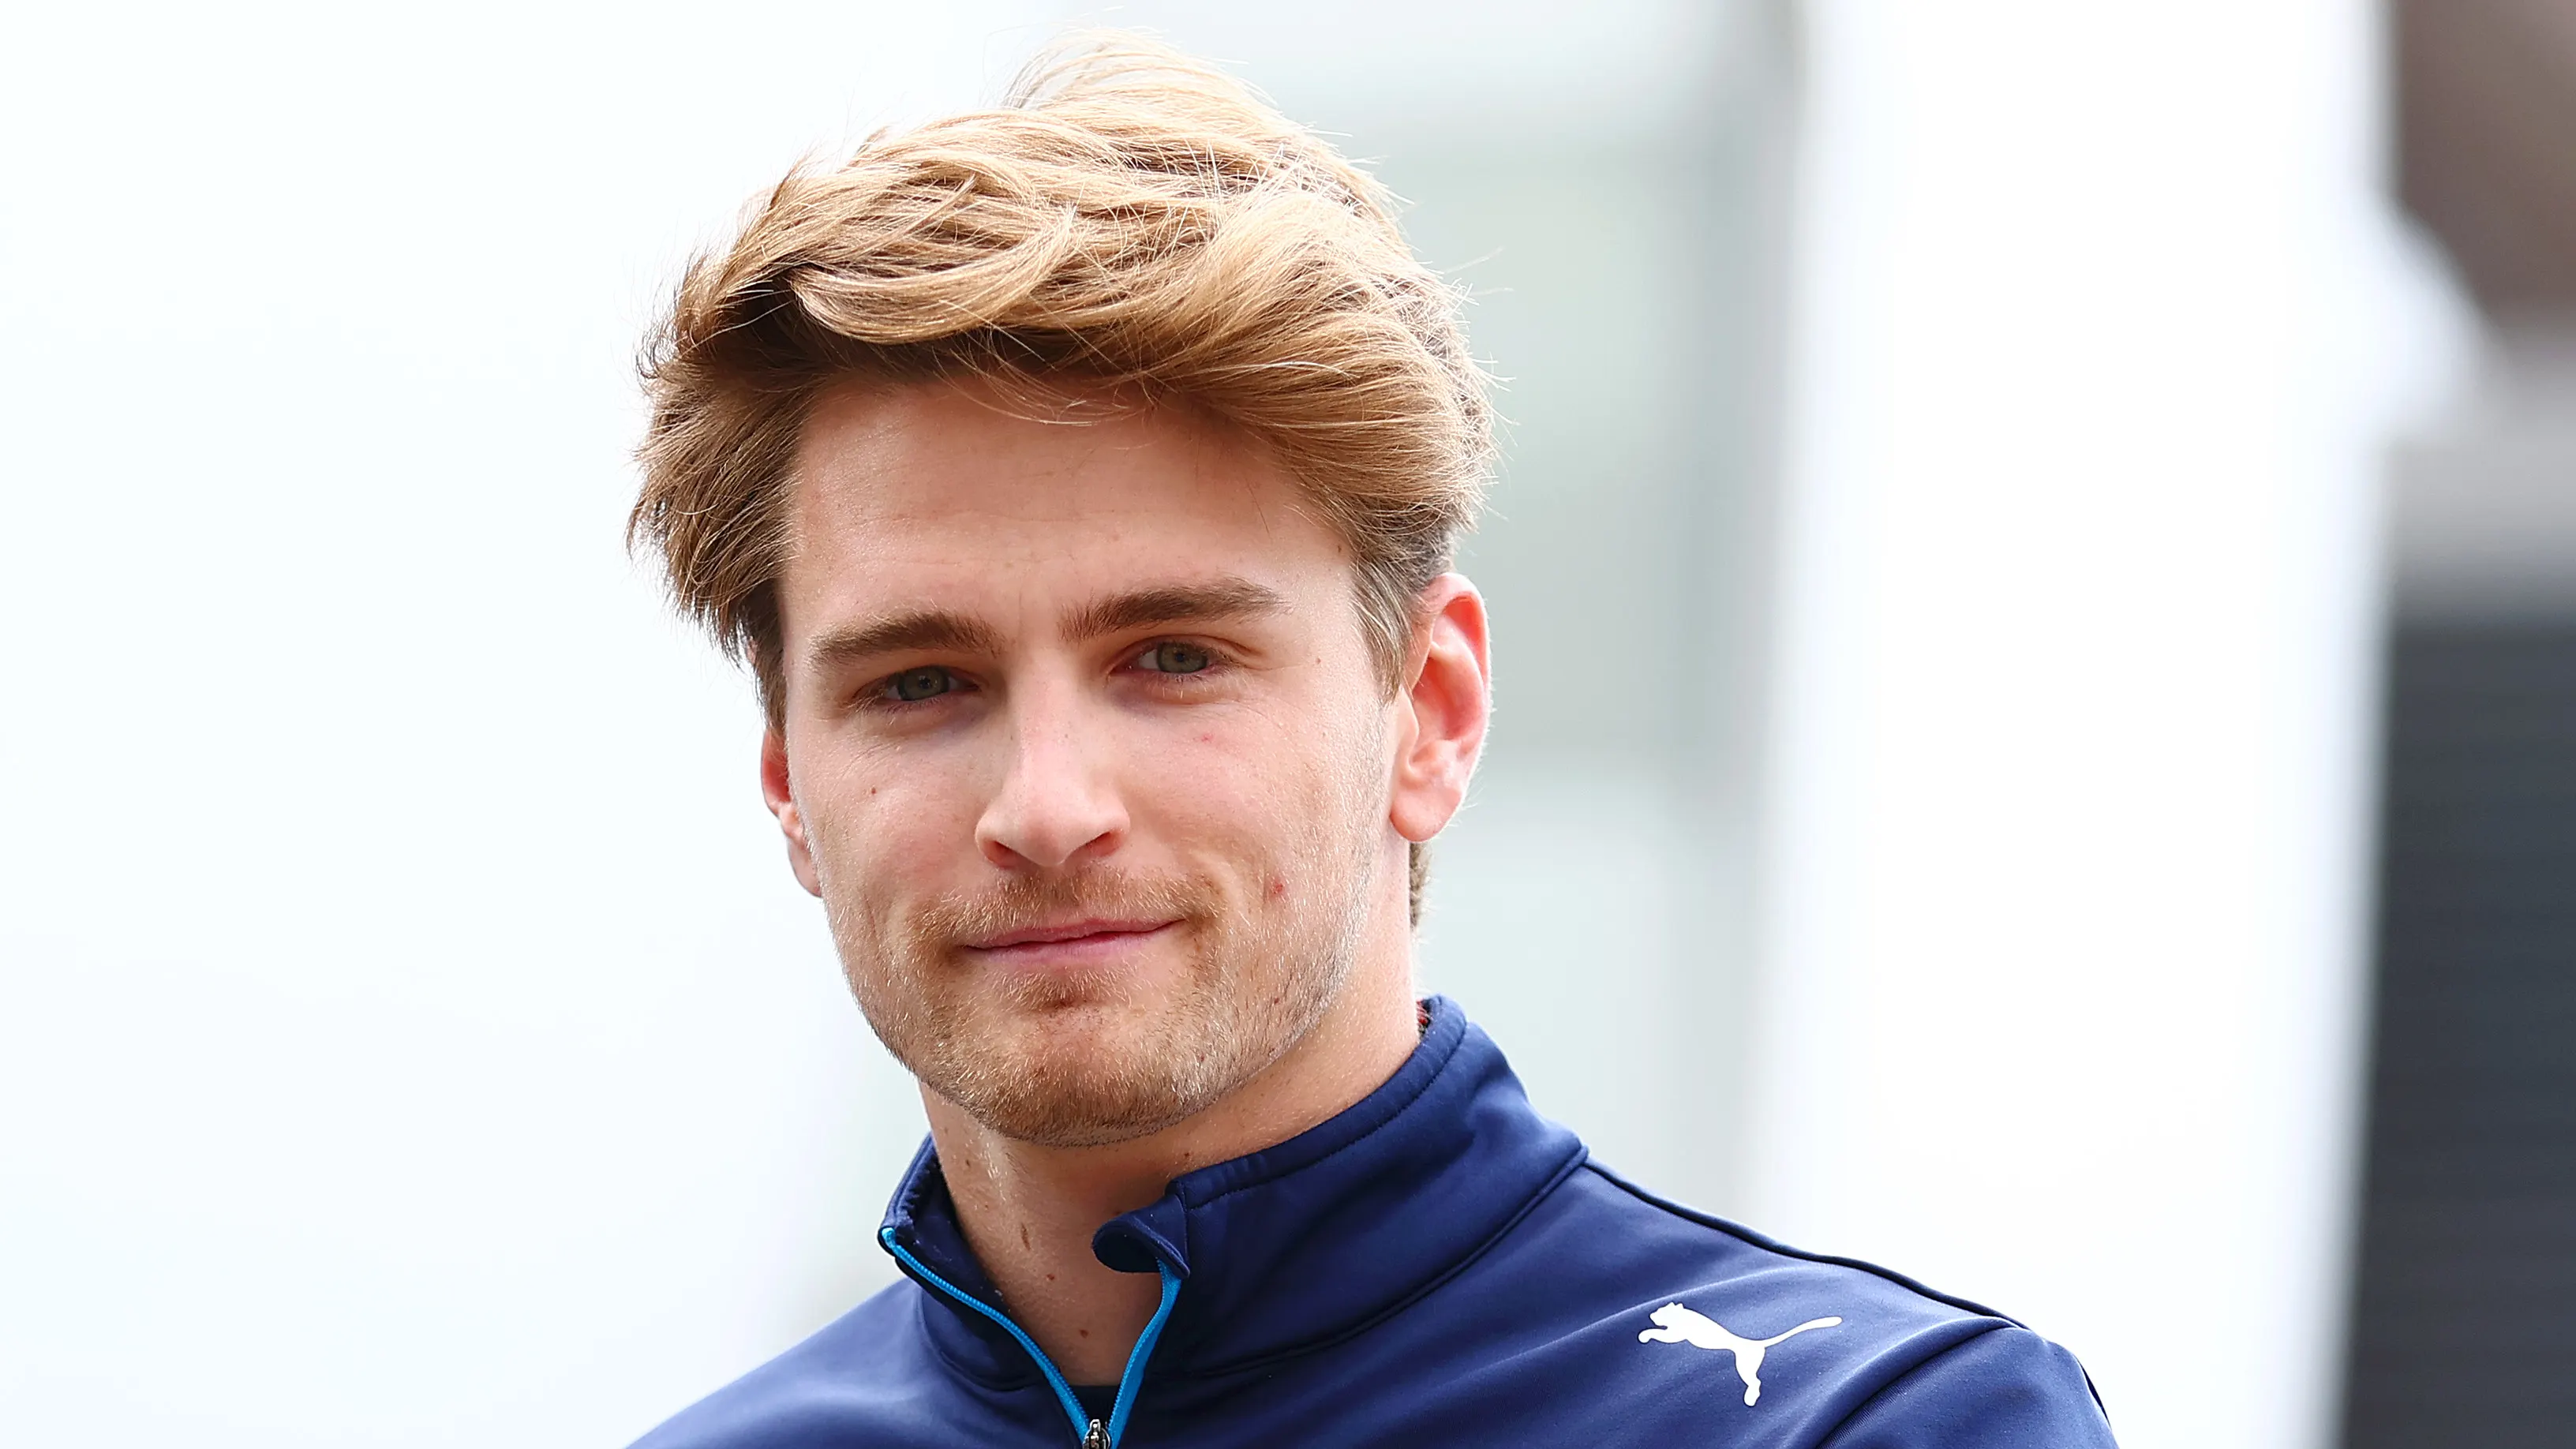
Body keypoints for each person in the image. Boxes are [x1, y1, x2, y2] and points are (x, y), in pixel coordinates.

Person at [623, 33, 2117, 1449]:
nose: (1049, 804)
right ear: (788, 786)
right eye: (920, 684)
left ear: (1434, 716)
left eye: (1174, 658)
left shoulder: (1869, 1426)